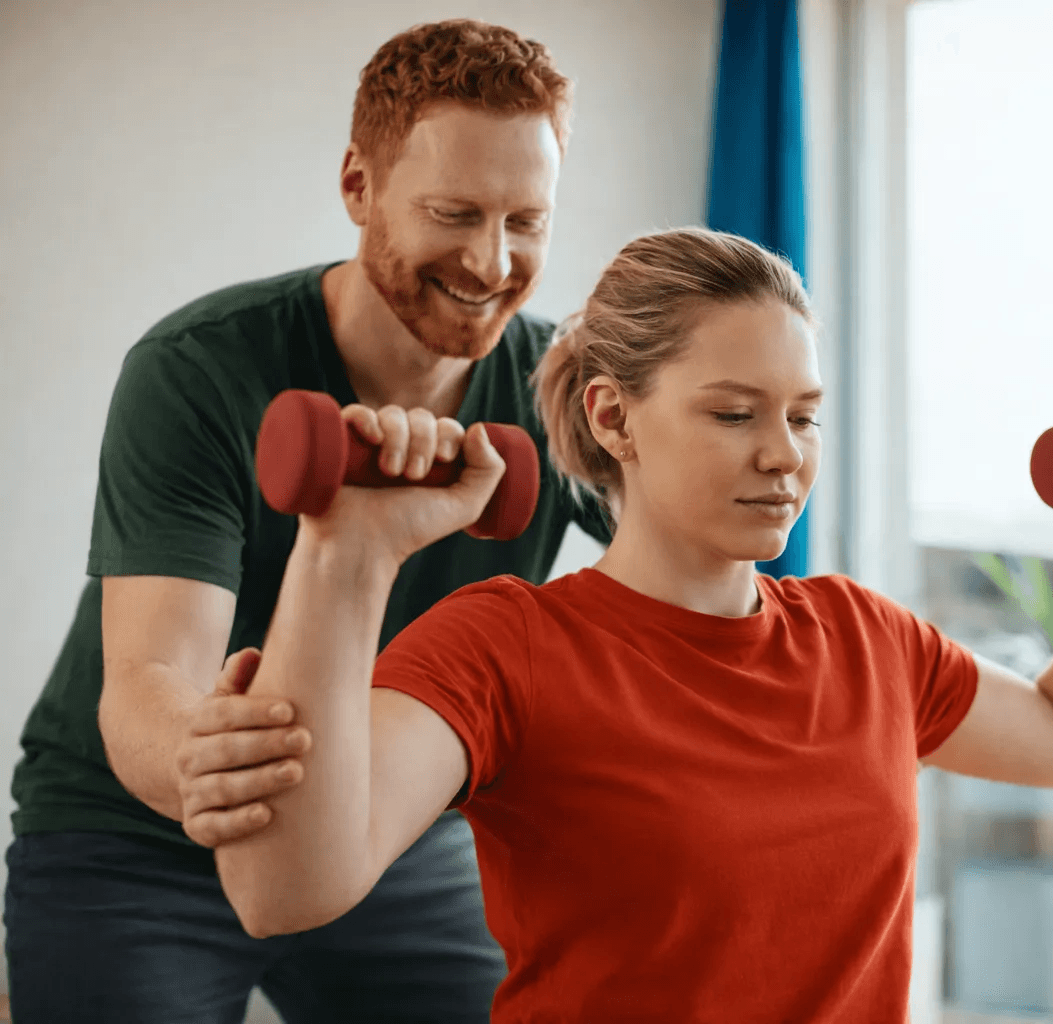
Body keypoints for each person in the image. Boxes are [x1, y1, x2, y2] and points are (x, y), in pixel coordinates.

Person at [199, 226, 1053, 1022]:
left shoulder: (866, 637)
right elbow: (287, 889)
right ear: (614, 417)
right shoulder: (509, 646)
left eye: (803, 416)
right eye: (733, 414)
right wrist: (349, 552)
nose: (782, 456)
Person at [3, 19, 611, 1024]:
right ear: (358, 188)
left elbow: (674, 558)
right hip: (139, 837)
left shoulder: (561, 396)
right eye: (454, 211)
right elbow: (150, 675)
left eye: (527, 221)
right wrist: (201, 749)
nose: (491, 260)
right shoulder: (199, 368)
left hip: (386, 825)